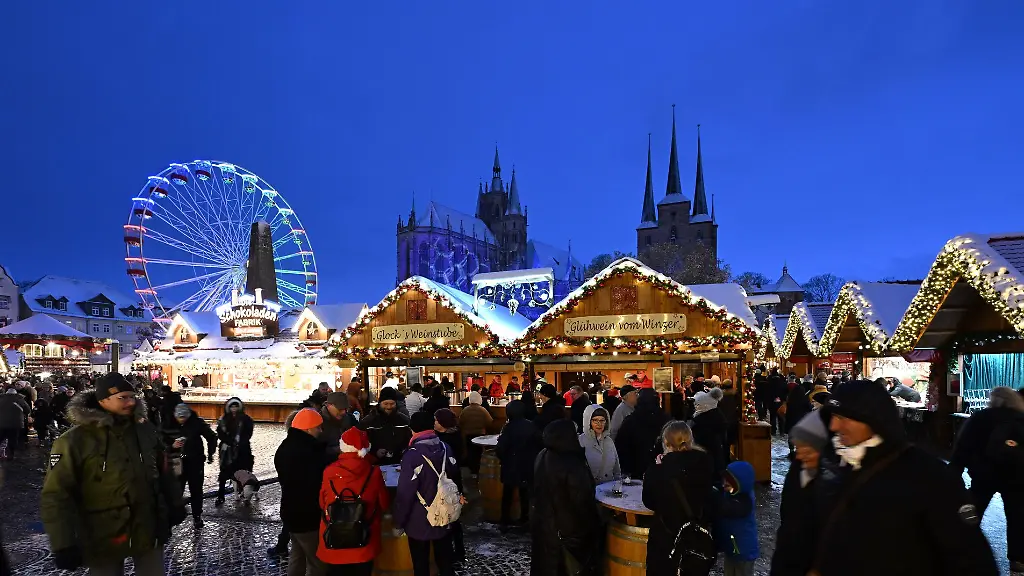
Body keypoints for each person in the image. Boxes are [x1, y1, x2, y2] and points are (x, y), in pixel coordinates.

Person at [812, 380, 998, 575]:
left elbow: (972, 559)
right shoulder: (834, 463)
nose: (833, 425)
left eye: (844, 417)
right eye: (833, 416)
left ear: (872, 419)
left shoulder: (929, 476)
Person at [41, 373, 184, 575]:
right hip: (102, 532)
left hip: (148, 525)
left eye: (132, 396)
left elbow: (164, 470)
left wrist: (175, 503)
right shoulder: (74, 441)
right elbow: (56, 494)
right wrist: (63, 542)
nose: (130, 402)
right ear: (102, 401)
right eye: (122, 397)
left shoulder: (145, 431)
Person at [950, 386, 1024, 572]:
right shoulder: (1021, 418)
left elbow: (963, 446)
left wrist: (954, 473)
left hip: (984, 475)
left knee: (972, 513)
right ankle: (1018, 559)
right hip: (1016, 478)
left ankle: (963, 550)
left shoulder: (980, 417)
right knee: (1017, 517)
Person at [642, 421, 714, 576]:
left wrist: (656, 470)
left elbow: (648, 500)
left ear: (666, 443)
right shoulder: (704, 463)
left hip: (666, 538)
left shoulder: (659, 469)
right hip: (695, 537)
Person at [531, 419, 602, 576]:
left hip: (545, 528)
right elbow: (582, 501)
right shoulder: (572, 463)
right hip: (568, 532)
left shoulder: (543, 455)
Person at [316, 427, 390, 576]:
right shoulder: (373, 472)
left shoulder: (329, 471)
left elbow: (322, 502)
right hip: (363, 536)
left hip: (334, 536)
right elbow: (384, 503)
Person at [395, 412, 461, 576]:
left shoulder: (412, 455)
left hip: (419, 518)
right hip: (444, 513)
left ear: (412, 430)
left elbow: (405, 493)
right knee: (445, 561)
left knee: (420, 563)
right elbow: (455, 479)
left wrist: (399, 522)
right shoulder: (446, 448)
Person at [771, 410, 830, 576]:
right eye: (799, 445)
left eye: (807, 446)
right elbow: (787, 508)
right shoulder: (798, 467)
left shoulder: (832, 479)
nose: (800, 451)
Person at [276, 408, 332, 576]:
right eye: (318, 427)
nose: (321, 431)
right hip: (308, 515)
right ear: (308, 428)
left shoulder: (285, 447)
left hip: (291, 513)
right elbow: (316, 482)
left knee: (297, 557)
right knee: (318, 564)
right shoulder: (309, 452)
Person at [495, 400, 539, 530]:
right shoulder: (531, 425)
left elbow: (501, 449)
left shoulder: (508, 428)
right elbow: (538, 444)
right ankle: (524, 518)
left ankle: (504, 520)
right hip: (527, 466)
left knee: (507, 494)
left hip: (511, 465)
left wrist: (503, 459)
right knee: (524, 493)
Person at [172, 403, 217, 527]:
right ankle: (174, 515)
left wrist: (210, 454)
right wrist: (172, 446)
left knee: (196, 489)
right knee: (176, 489)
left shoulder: (197, 423)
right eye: (179, 418)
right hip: (177, 462)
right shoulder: (171, 423)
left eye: (183, 417)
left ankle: (197, 516)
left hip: (195, 461)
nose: (181, 420)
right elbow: (161, 440)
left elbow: (212, 437)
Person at [714, 461, 759, 576]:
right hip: (732, 549)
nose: (724, 484)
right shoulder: (731, 493)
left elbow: (727, 509)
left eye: (728, 483)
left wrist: (712, 498)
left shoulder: (745, 501)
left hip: (743, 552)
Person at [615, 389, 670, 478]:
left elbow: (621, 447)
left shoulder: (630, 421)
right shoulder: (667, 420)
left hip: (635, 471)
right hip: (662, 470)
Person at [215, 397, 255, 506]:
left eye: (236, 406)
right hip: (227, 451)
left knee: (243, 472)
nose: (234, 408)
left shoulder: (246, 419)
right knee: (224, 473)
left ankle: (244, 493)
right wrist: (229, 442)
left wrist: (240, 443)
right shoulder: (223, 419)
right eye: (232, 406)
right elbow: (220, 433)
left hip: (242, 451)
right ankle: (221, 495)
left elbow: (248, 433)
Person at [358, 387, 412, 465]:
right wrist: (375, 451)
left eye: (392, 404)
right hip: (375, 464)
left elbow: (409, 440)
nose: (389, 407)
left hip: (399, 463)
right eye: (386, 404)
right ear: (380, 403)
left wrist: (404, 451)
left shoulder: (404, 420)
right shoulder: (368, 421)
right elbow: (361, 443)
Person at [578, 404, 619, 484]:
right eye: (595, 420)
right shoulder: (580, 441)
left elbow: (616, 468)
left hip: (608, 488)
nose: (599, 424)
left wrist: (617, 484)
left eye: (602, 420)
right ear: (588, 421)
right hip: (589, 490)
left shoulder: (609, 441)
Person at [458, 391, 492, 475]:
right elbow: (490, 422)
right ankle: (478, 470)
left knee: (470, 452)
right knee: (479, 453)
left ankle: (472, 470)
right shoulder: (483, 410)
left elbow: (460, 422)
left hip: (467, 435)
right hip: (480, 435)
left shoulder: (465, 410)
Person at [321, 392, 357, 456]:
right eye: (340, 409)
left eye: (346, 409)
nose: (343, 412)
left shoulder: (350, 418)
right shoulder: (318, 422)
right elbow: (315, 450)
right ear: (328, 405)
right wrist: (337, 450)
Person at [0, 389, 29, 460]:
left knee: (1, 438)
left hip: (2, 422)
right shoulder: (20, 399)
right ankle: (11, 455)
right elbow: (27, 410)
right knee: (13, 439)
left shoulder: (1, 399)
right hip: (16, 423)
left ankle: (2, 453)